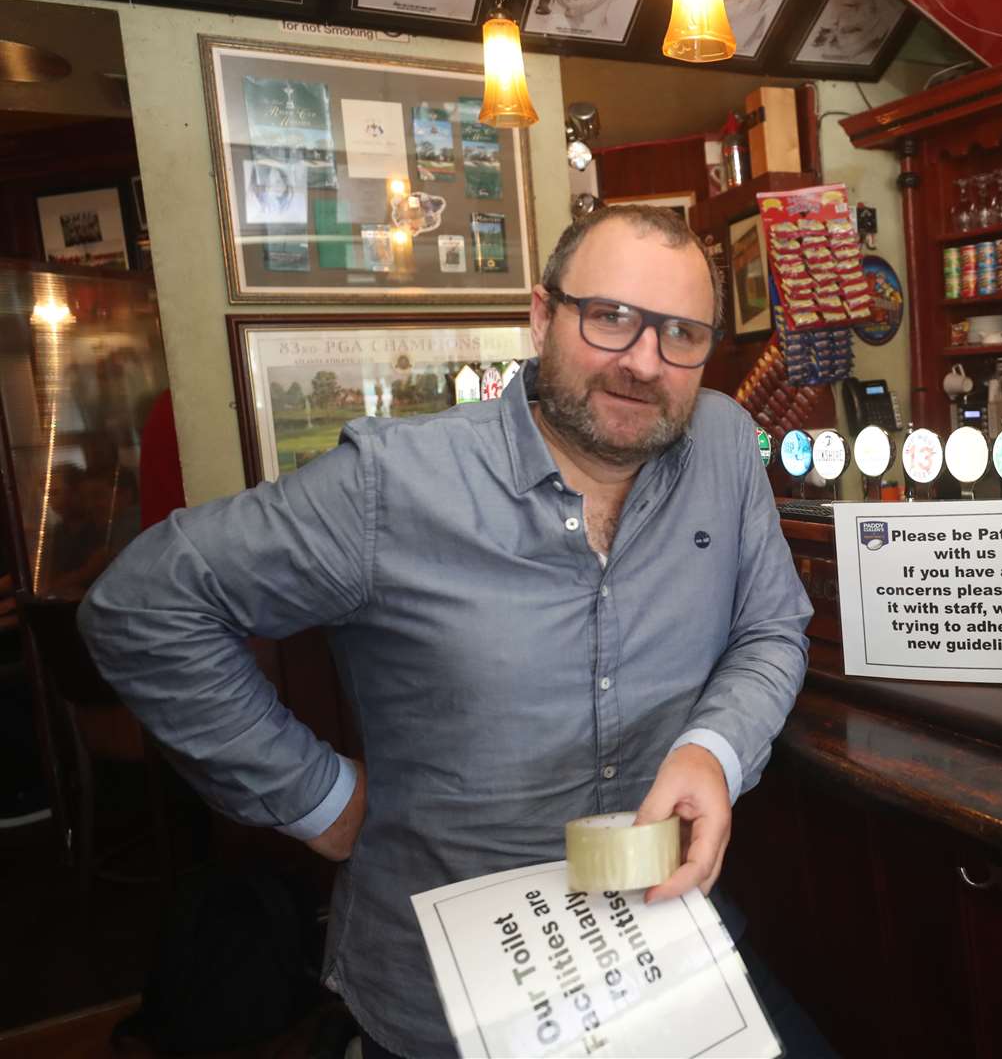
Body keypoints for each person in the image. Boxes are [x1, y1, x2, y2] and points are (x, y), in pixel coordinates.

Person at [79, 205, 814, 1056]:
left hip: (662, 941)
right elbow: (142, 607)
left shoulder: (723, 442)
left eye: (682, 334)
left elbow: (771, 628)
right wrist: (316, 797)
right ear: (543, 316)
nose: (644, 362)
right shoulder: (393, 483)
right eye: (611, 317)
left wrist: (712, 753)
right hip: (446, 988)